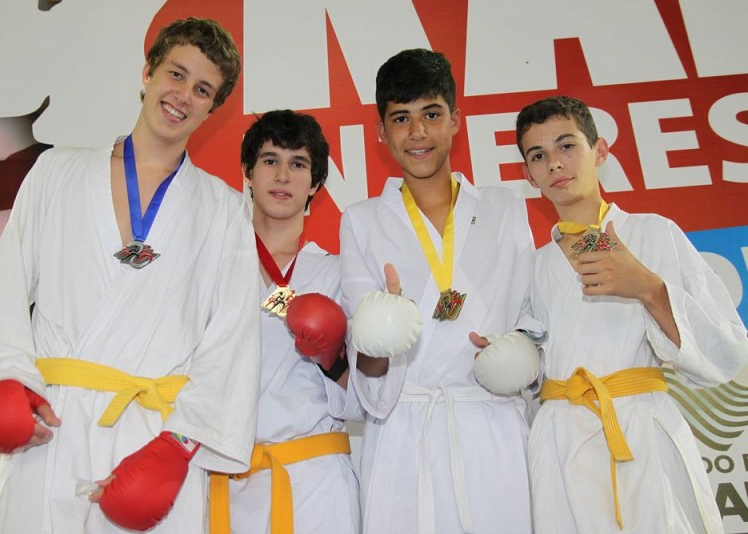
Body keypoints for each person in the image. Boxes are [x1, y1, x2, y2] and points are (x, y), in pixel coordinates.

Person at [0, 17, 262, 533]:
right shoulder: (55, 173)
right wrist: (5, 379)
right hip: (52, 427)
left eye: (203, 89)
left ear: (213, 108)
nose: (183, 96)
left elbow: (233, 337)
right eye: (176, 74)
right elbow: (4, 291)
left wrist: (178, 446)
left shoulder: (224, 209)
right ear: (147, 72)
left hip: (151, 441)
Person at [516, 95, 748, 533]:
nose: (555, 163)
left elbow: (727, 350)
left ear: (600, 151)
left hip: (641, 432)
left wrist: (648, 288)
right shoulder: (533, 265)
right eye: (538, 156)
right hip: (559, 440)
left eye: (567, 146)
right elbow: (528, 368)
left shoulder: (651, 232)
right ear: (529, 175)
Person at [339, 48, 544, 533]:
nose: (417, 133)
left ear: (455, 120)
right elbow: (368, 368)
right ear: (381, 131)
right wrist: (379, 334)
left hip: (491, 423)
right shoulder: (361, 220)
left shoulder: (504, 208)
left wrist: (518, 352)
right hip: (403, 432)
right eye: (401, 118)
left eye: (431, 114)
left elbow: (533, 317)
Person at [208, 109, 361, 534]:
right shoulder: (212, 267)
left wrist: (332, 359)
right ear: (247, 172)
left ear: (315, 184)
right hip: (226, 479)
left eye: (298, 164)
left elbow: (366, 401)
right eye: (270, 160)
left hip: (314, 483)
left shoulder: (338, 275)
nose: (282, 176)